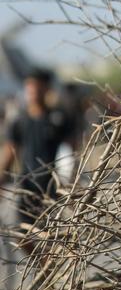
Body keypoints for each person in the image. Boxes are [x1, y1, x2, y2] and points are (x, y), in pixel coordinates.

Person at [0, 69, 79, 250]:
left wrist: (72, 182)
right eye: (30, 87)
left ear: (46, 89)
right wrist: (1, 181)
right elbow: (9, 153)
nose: (33, 91)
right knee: (20, 234)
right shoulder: (19, 120)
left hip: (53, 186)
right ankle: (44, 266)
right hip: (27, 186)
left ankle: (55, 268)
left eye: (37, 87)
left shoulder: (59, 118)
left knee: (56, 234)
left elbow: (71, 152)